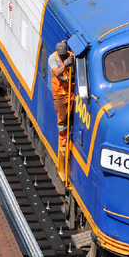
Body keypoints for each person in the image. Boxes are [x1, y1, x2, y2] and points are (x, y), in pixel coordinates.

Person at [48, 41, 72, 180]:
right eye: (61, 55)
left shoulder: (70, 55)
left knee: (70, 116)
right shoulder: (53, 58)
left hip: (71, 91)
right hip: (60, 94)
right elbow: (57, 72)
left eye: (64, 55)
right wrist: (66, 64)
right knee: (62, 119)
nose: (63, 56)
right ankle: (63, 142)